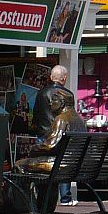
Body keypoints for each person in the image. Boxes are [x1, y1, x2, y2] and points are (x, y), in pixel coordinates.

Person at [32, 65, 76, 204]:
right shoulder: (67, 95)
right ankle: (65, 197)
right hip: (59, 135)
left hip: (43, 135)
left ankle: (43, 197)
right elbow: (69, 117)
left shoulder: (41, 93)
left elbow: (36, 115)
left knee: (42, 166)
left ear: (51, 77)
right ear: (64, 78)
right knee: (62, 163)